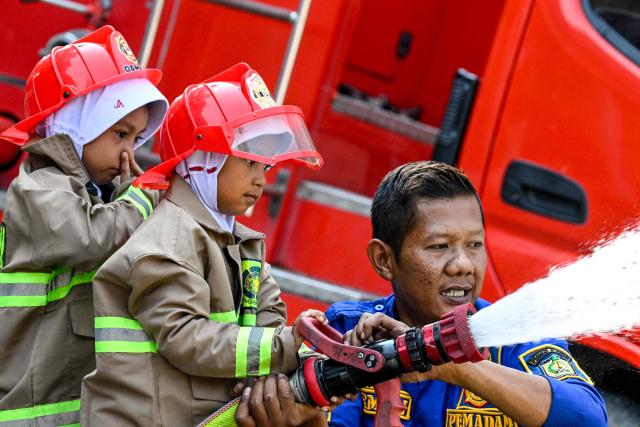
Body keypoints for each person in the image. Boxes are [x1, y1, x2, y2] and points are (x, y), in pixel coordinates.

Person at [80, 63, 329, 427]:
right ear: (204, 162)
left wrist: (294, 347)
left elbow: (268, 313)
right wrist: (282, 346)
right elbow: (186, 338)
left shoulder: (243, 243)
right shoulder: (168, 241)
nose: (261, 181)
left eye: (267, 169)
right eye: (249, 162)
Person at [325, 161, 607, 426]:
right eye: (439, 246)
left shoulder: (516, 339)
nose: (463, 264)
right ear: (384, 259)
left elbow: (589, 418)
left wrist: (447, 364)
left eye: (474, 244)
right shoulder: (347, 332)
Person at [0, 26, 167, 426]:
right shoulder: (38, 187)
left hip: (70, 406)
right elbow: (86, 236)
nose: (130, 152)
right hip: (28, 409)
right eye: (120, 134)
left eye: (138, 138)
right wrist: (141, 200)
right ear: (74, 125)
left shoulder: (103, 198)